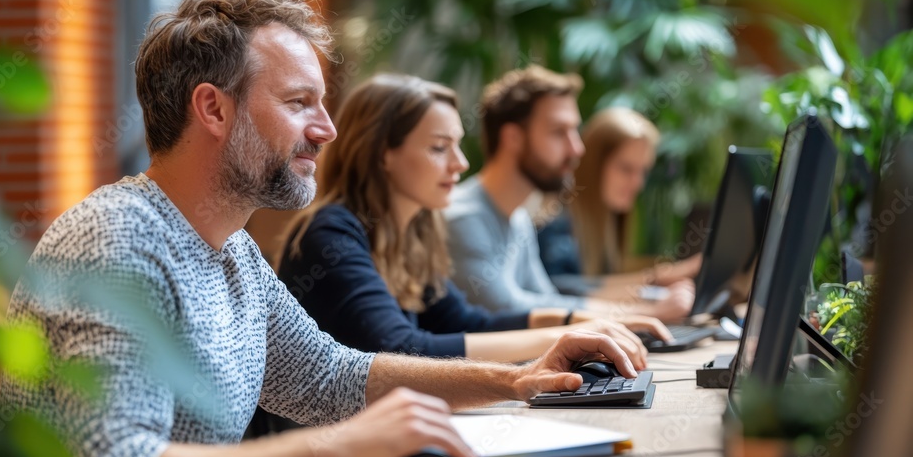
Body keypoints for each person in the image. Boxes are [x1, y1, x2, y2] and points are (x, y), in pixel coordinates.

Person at [0, 0, 638, 457]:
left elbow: (329, 377)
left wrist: (518, 379)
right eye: (299, 103)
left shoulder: (231, 248)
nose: (326, 129)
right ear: (213, 108)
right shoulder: (117, 245)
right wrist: (337, 450)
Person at [279, 74, 671, 368]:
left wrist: (580, 320)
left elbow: (467, 321)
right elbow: (402, 347)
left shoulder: (412, 232)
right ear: (383, 154)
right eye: (438, 147)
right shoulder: (330, 233)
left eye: (458, 145)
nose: (460, 164)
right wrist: (565, 335)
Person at [444, 66, 695, 323]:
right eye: (558, 132)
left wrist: (640, 314)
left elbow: (548, 299)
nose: (577, 148)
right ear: (513, 138)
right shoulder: (464, 218)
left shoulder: (518, 218)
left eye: (574, 130)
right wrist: (644, 313)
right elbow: (506, 309)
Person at [534, 107, 701, 297]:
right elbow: (557, 289)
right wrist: (657, 278)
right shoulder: (557, 222)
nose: (638, 183)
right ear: (593, 166)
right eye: (626, 169)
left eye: (643, 171)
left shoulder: (607, 222)